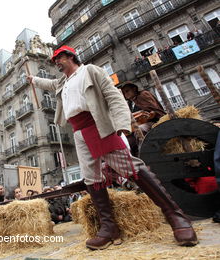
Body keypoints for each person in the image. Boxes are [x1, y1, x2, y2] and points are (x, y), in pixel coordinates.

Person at [27, 45, 197, 249]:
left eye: (58, 58)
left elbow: (114, 96)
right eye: (54, 60)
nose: (56, 63)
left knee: (129, 167)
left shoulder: (90, 71)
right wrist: (34, 81)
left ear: (70, 56)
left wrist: (123, 124)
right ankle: (109, 229)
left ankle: (176, 217)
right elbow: (50, 83)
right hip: (78, 132)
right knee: (91, 178)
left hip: (97, 125)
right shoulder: (63, 82)